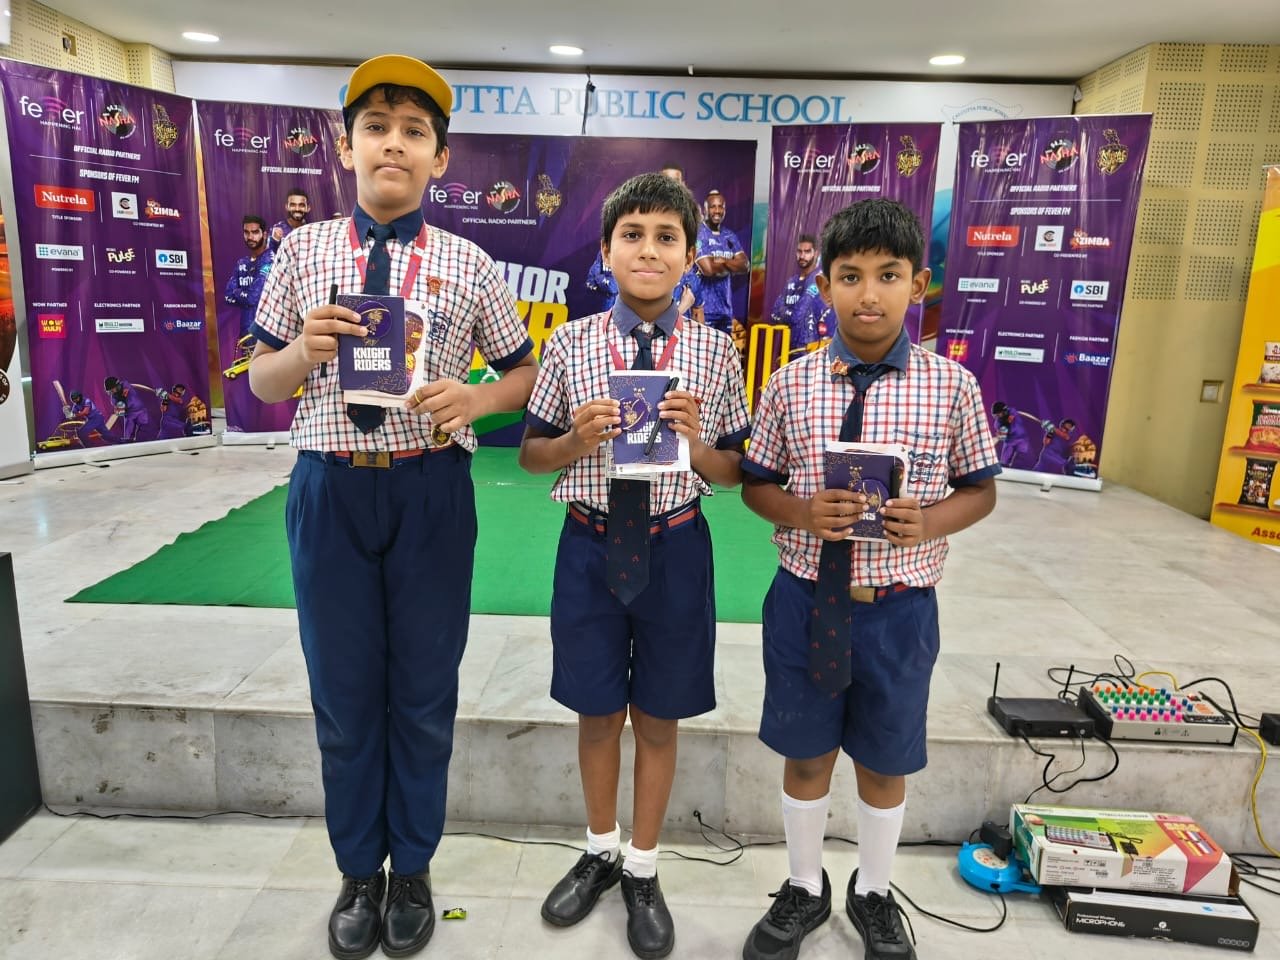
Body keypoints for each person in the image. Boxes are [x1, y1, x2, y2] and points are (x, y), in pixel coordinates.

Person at [247, 54, 538, 960]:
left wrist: (477, 398)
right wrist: (302, 351)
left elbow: (524, 373)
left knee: (422, 691)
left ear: (440, 159)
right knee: (342, 692)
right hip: (330, 488)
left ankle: (410, 868)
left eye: (415, 132)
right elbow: (259, 383)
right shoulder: (301, 253)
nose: (394, 145)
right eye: (376, 127)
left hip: (429, 491)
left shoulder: (469, 262)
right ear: (346, 147)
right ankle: (355, 871)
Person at [739, 199, 1000, 960]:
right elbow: (756, 485)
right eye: (849, 276)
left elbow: (980, 490)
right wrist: (801, 510)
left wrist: (931, 521)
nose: (868, 294)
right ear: (824, 285)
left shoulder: (951, 387)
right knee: (806, 754)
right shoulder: (789, 384)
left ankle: (875, 893)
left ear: (919, 283)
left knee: (885, 761)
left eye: (888, 275)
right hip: (804, 601)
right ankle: (803, 885)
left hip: (898, 611)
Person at [519, 172, 750, 960]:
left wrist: (698, 442)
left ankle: (643, 867)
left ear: (689, 254)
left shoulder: (715, 352)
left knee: (657, 716)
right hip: (590, 547)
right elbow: (530, 455)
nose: (649, 250)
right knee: (596, 712)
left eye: (666, 237)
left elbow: (733, 472)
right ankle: (599, 849)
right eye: (633, 235)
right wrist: (575, 440)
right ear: (606, 250)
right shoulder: (570, 343)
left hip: (675, 548)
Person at [694, 189, 748, 346]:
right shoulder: (699, 233)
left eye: (720, 206)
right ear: (705, 209)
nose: (717, 211)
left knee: (722, 356)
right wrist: (731, 262)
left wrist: (721, 261)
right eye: (713, 207)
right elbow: (708, 269)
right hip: (704, 310)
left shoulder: (729, 236)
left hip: (725, 311)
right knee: (704, 355)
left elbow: (745, 266)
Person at [769, 233, 828, 357]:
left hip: (810, 349)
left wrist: (785, 312)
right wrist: (788, 313)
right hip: (789, 348)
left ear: (816, 253)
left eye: (807, 252)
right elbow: (774, 314)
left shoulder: (818, 278)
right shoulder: (792, 281)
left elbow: (797, 316)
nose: (802, 256)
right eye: (799, 251)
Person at [224, 214, 274, 340]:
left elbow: (253, 298)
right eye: (246, 232)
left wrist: (237, 292)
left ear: (264, 234)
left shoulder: (271, 260)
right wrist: (244, 295)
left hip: (267, 336)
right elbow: (227, 296)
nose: (250, 237)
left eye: (255, 232)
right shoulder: (242, 263)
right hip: (246, 335)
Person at [103, 376, 149, 442]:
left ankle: (142, 442)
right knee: (128, 434)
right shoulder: (114, 398)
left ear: (117, 386)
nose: (111, 393)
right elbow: (117, 407)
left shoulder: (126, 386)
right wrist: (119, 409)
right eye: (109, 391)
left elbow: (129, 396)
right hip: (129, 415)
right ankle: (128, 442)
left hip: (140, 411)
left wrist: (123, 403)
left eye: (112, 390)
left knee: (144, 429)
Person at [270, 187, 311, 251]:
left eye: (301, 205)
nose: (297, 209)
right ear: (287, 207)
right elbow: (270, 254)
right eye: (293, 205)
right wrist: (275, 241)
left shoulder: (312, 230)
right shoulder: (277, 229)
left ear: (308, 208)